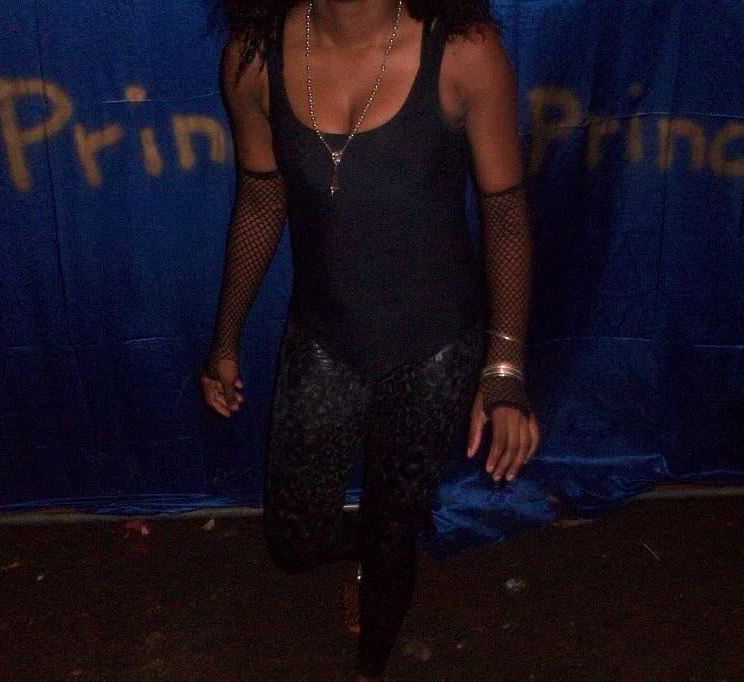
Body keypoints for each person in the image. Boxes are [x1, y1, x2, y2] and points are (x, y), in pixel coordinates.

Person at [200, 1, 541, 678]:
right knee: (293, 541)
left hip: (435, 349)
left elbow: (504, 214)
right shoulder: (255, 58)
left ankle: (371, 660)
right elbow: (262, 200)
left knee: (391, 534)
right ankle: (385, 540)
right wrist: (225, 342)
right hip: (325, 336)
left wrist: (503, 369)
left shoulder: (463, 52)